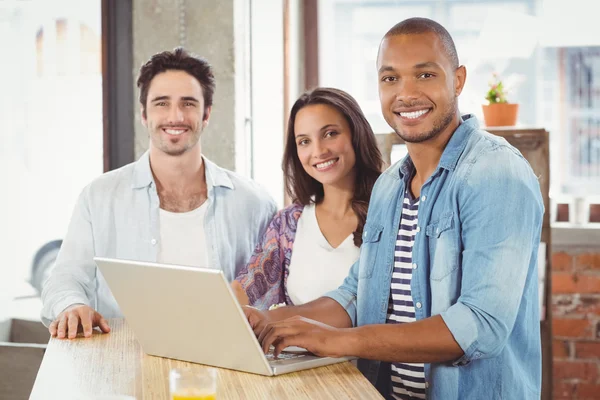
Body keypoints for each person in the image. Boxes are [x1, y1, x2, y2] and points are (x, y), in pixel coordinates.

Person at [243, 18, 543, 400]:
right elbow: (357, 294)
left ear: (458, 79)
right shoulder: (389, 187)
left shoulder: (495, 172)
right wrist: (268, 320)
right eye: (390, 79)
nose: (406, 94)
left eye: (424, 74)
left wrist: (341, 341)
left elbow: (480, 324)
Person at [41, 48, 276, 339]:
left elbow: (272, 293)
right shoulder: (99, 197)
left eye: (188, 103)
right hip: (121, 363)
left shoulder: (254, 203)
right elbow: (66, 277)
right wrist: (72, 305)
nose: (175, 116)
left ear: (206, 114)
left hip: (226, 367)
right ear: (144, 114)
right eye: (162, 103)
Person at [232, 87, 383, 309]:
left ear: (356, 134)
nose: (319, 151)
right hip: (295, 345)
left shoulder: (392, 212)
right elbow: (244, 290)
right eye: (304, 141)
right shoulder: (288, 223)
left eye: (330, 133)